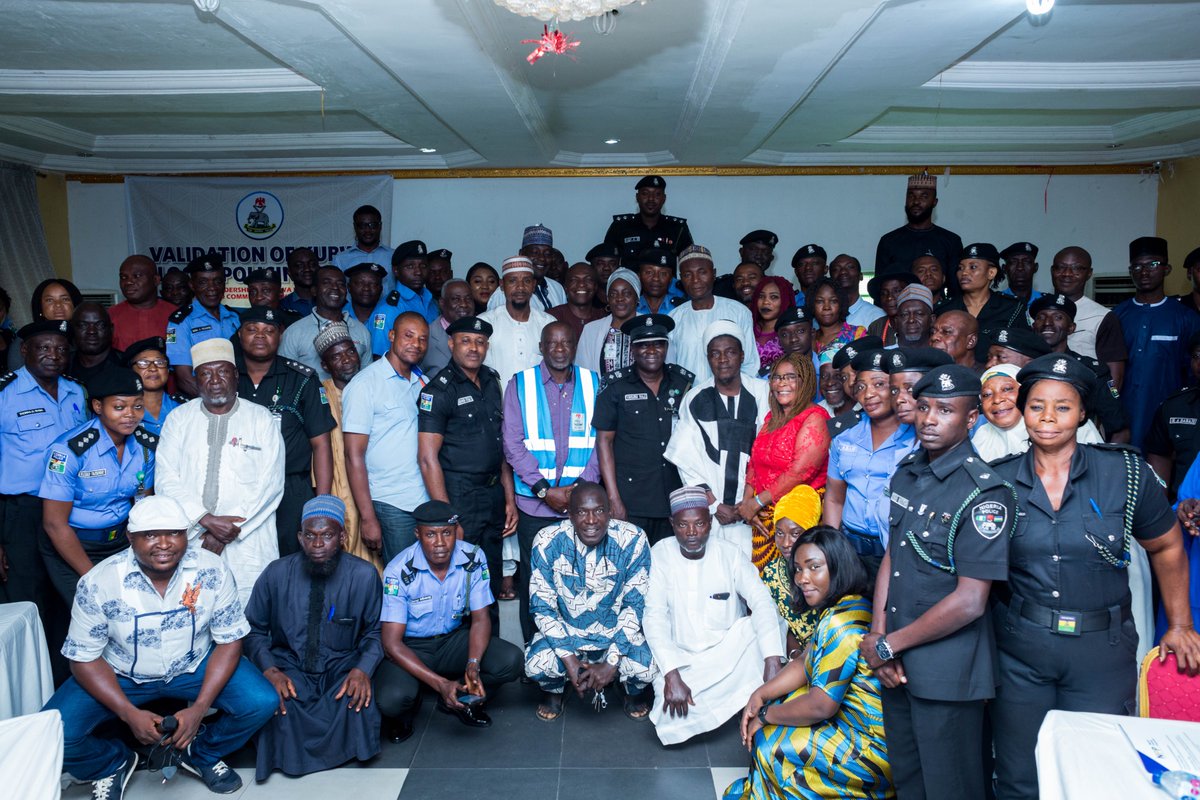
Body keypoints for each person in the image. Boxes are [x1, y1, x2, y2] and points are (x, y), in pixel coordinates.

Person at [989, 354, 1200, 800]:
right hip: (1021, 651)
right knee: (1019, 776)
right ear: (1023, 410)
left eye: (1063, 407)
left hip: (1101, 654)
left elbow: (1166, 545)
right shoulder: (998, 482)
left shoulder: (1123, 472)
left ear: (1083, 412)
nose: (1048, 417)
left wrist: (1180, 624)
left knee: (1097, 775)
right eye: (1036, 405)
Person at [45, 495, 277, 798]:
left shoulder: (212, 569)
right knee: (54, 734)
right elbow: (84, 659)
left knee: (261, 701)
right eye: (150, 535)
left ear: (185, 535)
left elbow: (230, 640)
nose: (164, 543)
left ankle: (201, 752)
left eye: (174, 533)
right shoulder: (99, 582)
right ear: (130, 538)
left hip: (193, 665)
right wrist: (128, 713)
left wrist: (199, 709)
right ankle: (110, 764)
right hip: (122, 673)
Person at [859, 364, 1015, 800]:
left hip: (948, 668)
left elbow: (970, 601)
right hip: (895, 660)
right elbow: (895, 553)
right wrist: (878, 636)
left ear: (971, 419)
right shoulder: (909, 471)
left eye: (945, 410)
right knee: (909, 781)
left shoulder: (984, 493)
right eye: (924, 406)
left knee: (951, 787)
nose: (929, 419)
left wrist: (891, 644)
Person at [726, 526, 891, 800]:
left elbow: (820, 706)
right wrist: (761, 695)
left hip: (869, 748)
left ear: (838, 567)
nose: (803, 578)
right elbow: (805, 660)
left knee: (770, 744)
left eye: (814, 568)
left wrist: (765, 717)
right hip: (856, 726)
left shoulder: (841, 622)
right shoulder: (846, 603)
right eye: (799, 569)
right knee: (779, 705)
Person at [244, 494, 383, 782]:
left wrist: (362, 671)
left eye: (327, 535)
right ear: (299, 537)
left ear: (342, 536)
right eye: (310, 535)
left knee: (355, 700)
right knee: (279, 703)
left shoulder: (364, 575)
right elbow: (253, 629)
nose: (317, 544)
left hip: (341, 665)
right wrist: (271, 671)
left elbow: (376, 630)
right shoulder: (276, 573)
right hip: (289, 665)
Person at [644, 486, 786, 745]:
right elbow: (654, 618)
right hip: (684, 661)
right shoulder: (660, 555)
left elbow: (761, 601)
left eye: (699, 523)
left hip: (728, 653)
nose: (691, 533)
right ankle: (738, 700)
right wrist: (672, 675)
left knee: (769, 626)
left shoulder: (729, 553)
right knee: (669, 716)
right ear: (672, 524)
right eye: (683, 525)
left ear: (710, 522)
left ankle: (748, 694)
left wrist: (772, 659)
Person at [375, 500, 524, 740]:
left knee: (511, 660)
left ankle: (461, 699)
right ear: (417, 534)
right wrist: (439, 683)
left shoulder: (472, 557)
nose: (440, 543)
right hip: (413, 646)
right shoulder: (398, 570)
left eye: (447, 533)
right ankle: (427, 694)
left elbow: (481, 619)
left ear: (456, 532)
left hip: (452, 641)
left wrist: (473, 664)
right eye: (430, 535)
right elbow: (391, 645)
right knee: (392, 700)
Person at [155, 338, 285, 606]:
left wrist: (226, 530)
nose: (215, 380)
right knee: (192, 608)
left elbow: (271, 485)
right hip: (192, 536)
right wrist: (205, 520)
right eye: (205, 373)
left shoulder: (261, 418)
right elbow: (166, 480)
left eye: (222, 371)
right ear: (196, 379)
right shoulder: (178, 419)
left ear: (236, 376)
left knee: (250, 611)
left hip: (249, 539)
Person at [503, 321, 601, 642]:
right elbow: (512, 444)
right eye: (552, 343)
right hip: (535, 505)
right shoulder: (520, 384)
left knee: (581, 580)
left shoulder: (592, 383)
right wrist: (545, 491)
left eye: (566, 343)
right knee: (536, 582)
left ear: (575, 346)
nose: (560, 350)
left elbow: (601, 442)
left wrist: (578, 493)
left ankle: (578, 650)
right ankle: (538, 653)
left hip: (581, 506)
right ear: (541, 347)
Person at [525, 481, 656, 720]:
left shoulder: (633, 539)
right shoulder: (547, 540)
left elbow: (635, 605)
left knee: (646, 668)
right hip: (569, 633)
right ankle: (554, 690)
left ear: (609, 512)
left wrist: (612, 662)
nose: (592, 520)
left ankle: (628, 690)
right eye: (582, 512)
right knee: (537, 664)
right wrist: (570, 661)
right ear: (570, 515)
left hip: (614, 634)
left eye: (599, 510)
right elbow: (542, 607)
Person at [417, 315, 513, 623]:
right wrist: (448, 519)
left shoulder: (491, 380)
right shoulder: (438, 391)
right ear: (450, 343)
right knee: (459, 581)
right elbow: (427, 459)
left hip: (493, 493)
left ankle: (493, 661)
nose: (474, 348)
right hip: (459, 496)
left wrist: (509, 499)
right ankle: (460, 659)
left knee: (490, 578)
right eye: (466, 341)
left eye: (480, 342)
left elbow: (501, 447)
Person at [39, 368, 156, 605]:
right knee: (92, 609)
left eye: (137, 406)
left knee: (130, 607)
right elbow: (54, 524)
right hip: (73, 544)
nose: (130, 415)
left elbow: (144, 502)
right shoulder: (68, 451)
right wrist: (93, 577)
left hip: (120, 542)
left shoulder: (146, 446)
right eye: (120, 407)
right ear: (98, 406)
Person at [0, 320, 87, 612]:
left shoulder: (77, 392)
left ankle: (65, 660)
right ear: (25, 350)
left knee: (68, 596)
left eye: (61, 349)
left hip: (69, 508)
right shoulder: (4, 393)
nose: (54, 355)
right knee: (26, 599)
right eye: (45, 348)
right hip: (22, 512)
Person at [665, 322, 771, 561]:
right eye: (715, 353)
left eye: (730, 352)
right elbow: (686, 458)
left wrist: (749, 503)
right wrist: (713, 504)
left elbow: (770, 452)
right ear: (708, 358)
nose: (723, 359)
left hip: (756, 512)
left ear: (742, 356)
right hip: (713, 516)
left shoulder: (763, 392)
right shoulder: (695, 398)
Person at [235, 305, 335, 557]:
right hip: (237, 486)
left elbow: (321, 443)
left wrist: (321, 503)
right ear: (239, 335)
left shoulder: (301, 379)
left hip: (290, 486)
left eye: (269, 330)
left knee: (293, 560)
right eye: (252, 329)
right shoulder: (227, 377)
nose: (260, 335)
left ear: (279, 337)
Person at [595, 314, 694, 544]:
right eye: (643, 345)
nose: (651, 350)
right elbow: (604, 442)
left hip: (676, 496)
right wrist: (613, 498)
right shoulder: (615, 386)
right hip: (632, 500)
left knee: (670, 569)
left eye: (658, 343)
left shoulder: (683, 382)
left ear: (666, 346)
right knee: (631, 568)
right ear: (632, 350)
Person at [343, 312, 430, 563]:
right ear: (391, 336)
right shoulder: (365, 384)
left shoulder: (423, 381)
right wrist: (368, 518)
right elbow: (353, 456)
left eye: (423, 339)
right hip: (391, 503)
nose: (416, 344)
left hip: (425, 500)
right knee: (403, 579)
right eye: (408, 336)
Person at [823, 348, 916, 578]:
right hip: (850, 549)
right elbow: (834, 498)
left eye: (878, 384)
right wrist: (833, 552)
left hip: (896, 552)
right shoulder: (844, 436)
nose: (868, 394)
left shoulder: (917, 438)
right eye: (861, 386)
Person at [742, 353, 831, 571]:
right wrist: (747, 504)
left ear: (806, 380)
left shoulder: (815, 417)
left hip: (796, 521)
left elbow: (799, 472)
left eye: (790, 377)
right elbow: (755, 462)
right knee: (767, 586)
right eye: (777, 377)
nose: (781, 383)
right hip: (762, 517)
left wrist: (756, 503)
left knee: (795, 583)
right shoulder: (771, 418)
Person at [1115, 236, 1200, 448]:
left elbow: (1192, 373)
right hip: (1123, 413)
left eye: (1153, 264)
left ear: (1167, 269)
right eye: (1137, 266)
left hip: (1168, 413)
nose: (1144, 272)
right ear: (1130, 270)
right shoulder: (1118, 315)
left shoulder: (1185, 317)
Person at [313, 322, 379, 569]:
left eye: (350, 351)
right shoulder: (319, 394)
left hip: (374, 480)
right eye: (337, 356)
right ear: (325, 365)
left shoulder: (373, 387)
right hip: (337, 483)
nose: (347, 360)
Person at [1030, 293, 1130, 442]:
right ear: (1033, 327)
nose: (1048, 323)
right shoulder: (1022, 368)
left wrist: (1105, 463)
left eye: (1058, 317)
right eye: (1041, 317)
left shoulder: (1092, 371)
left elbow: (1120, 430)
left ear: (1071, 328)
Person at [971, 363, 1102, 463]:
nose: (997, 399)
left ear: (1025, 395)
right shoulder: (979, 436)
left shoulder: (1069, 424)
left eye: (1007, 389)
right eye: (986, 394)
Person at [669, 245, 760, 379]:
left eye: (702, 272)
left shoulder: (738, 312)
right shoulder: (674, 318)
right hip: (686, 397)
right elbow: (670, 368)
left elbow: (750, 364)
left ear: (714, 274)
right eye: (688, 274)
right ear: (681, 279)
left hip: (730, 396)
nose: (695, 280)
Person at [1049, 245, 1128, 387]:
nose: (1067, 273)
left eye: (1076, 268)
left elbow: (1115, 375)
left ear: (1089, 273)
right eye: (1060, 267)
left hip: (1086, 399)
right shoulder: (1036, 313)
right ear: (1052, 271)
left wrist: (1105, 405)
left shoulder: (1102, 317)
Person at [936, 243, 1028, 363]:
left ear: (991, 273)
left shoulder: (1011, 308)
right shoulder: (945, 309)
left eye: (973, 267)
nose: (964, 273)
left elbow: (1022, 350)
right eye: (960, 268)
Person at [760, 485, 824, 657]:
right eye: (779, 533)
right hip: (794, 656)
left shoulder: (826, 567)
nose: (786, 543)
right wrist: (794, 653)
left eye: (795, 533)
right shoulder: (771, 572)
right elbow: (774, 620)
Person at [165, 255, 241, 397]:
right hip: (201, 402)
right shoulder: (179, 323)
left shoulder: (235, 317)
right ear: (192, 285)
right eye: (203, 282)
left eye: (217, 281)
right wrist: (219, 403)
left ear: (224, 284)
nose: (212, 288)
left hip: (239, 399)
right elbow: (185, 379)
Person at [279, 265, 372, 381]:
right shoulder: (294, 332)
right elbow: (284, 379)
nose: (335, 288)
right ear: (314, 290)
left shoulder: (360, 330)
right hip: (309, 399)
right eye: (327, 283)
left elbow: (368, 378)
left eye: (340, 284)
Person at [479, 256, 555, 389]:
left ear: (533, 285)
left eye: (526, 281)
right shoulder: (485, 323)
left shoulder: (548, 324)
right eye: (513, 281)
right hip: (497, 406)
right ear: (502, 285)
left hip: (538, 406)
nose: (520, 287)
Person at [873, 171, 964, 277]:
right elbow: (882, 286)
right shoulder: (888, 241)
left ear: (935, 202)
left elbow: (955, 287)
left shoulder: (951, 241)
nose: (916, 201)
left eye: (924, 197)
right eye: (911, 196)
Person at [1144, 331, 1200, 498]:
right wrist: (1159, 511)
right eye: (1196, 355)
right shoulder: (1174, 406)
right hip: (1184, 513)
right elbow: (1159, 457)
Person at [604, 174, 693, 264]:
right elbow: (606, 260)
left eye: (657, 194)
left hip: (665, 277)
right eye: (645, 194)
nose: (651, 199)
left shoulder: (678, 228)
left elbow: (691, 262)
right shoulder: (620, 226)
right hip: (630, 278)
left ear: (664, 199)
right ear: (637, 197)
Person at [575, 267, 641, 377]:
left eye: (626, 293)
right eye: (613, 294)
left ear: (637, 297)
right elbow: (583, 373)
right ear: (608, 299)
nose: (619, 298)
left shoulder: (652, 328)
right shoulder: (591, 330)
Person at [486, 225, 568, 312]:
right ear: (521, 254)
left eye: (547, 254)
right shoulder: (504, 294)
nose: (542, 258)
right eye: (535, 252)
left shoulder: (557, 288)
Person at [109, 254, 176, 351]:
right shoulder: (110, 316)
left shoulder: (174, 316)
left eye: (137, 276)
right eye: (123, 277)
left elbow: (176, 352)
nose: (128, 282)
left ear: (155, 280)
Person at [124, 336, 184, 435]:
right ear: (130, 371)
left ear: (168, 370)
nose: (153, 368)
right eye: (144, 363)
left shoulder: (184, 406)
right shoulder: (122, 412)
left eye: (159, 362)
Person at [884, 346, 954, 430]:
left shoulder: (948, 439)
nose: (899, 400)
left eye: (910, 389)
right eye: (894, 391)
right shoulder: (901, 437)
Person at [332, 204, 395, 293]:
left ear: (380, 226)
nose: (367, 230)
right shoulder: (340, 259)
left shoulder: (393, 256)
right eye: (362, 225)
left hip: (389, 307)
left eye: (372, 225)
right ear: (355, 227)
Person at [380, 240, 439, 331]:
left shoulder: (432, 302)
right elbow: (381, 345)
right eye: (410, 266)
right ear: (396, 270)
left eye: (423, 266)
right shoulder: (388, 309)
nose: (418, 272)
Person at [422, 277, 473, 375]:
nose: (463, 304)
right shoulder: (426, 336)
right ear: (442, 303)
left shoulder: (482, 333)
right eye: (456, 299)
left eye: (468, 299)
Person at [67, 302, 123, 385]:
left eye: (100, 325)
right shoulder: (62, 365)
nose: (92, 331)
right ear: (72, 329)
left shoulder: (126, 364)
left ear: (111, 329)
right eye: (83, 325)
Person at [808, 278, 866, 356]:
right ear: (812, 305)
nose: (826, 307)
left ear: (841, 304)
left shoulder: (857, 334)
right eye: (820, 301)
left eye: (833, 301)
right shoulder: (809, 338)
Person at [752, 276, 797, 375]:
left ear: (786, 300)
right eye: (761, 296)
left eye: (774, 297)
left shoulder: (793, 332)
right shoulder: (748, 328)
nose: (766, 302)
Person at [549, 262, 606, 340]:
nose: (581, 284)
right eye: (574, 280)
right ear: (565, 287)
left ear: (596, 286)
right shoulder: (551, 317)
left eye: (588, 279)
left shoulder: (605, 318)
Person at [343, 261, 389, 353]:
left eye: (373, 284)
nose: (366, 288)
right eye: (360, 283)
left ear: (381, 289)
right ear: (349, 287)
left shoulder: (389, 315)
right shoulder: (339, 315)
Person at [831, 254, 886, 329]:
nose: (843, 272)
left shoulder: (877, 316)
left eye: (850, 267)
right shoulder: (824, 316)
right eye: (836, 269)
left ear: (861, 276)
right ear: (831, 279)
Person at [866, 271, 918, 346]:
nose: (889, 297)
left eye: (896, 291)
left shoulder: (920, 323)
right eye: (884, 293)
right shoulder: (876, 327)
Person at [636, 246, 687, 314]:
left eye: (663, 273)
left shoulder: (682, 308)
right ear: (639, 276)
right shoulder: (630, 307)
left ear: (671, 278)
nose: (656, 278)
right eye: (649, 272)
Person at [1000, 242, 1043, 308]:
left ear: (1035, 267)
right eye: (1013, 262)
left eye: (1026, 261)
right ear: (1004, 269)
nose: (1020, 267)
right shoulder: (994, 302)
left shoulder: (1045, 301)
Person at [892, 283, 935, 347]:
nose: (911, 320)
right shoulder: (885, 355)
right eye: (904, 315)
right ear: (896, 322)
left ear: (932, 320)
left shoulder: (943, 355)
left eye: (919, 314)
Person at [281, 247, 319, 317]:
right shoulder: (282, 306)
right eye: (299, 265)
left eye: (312, 264)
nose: (307, 269)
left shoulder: (331, 301)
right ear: (289, 273)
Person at [586, 242, 622, 307]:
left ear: (619, 267)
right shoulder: (585, 298)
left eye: (612, 263)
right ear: (591, 267)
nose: (606, 268)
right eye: (600, 263)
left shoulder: (628, 298)